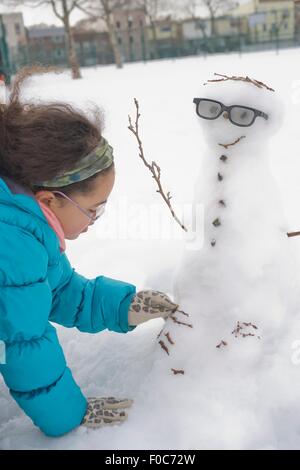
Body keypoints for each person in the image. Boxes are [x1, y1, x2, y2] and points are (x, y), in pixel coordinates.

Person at [0, 66, 179, 437]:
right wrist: (69, 415)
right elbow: (26, 341)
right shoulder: (11, 241)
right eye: (94, 208)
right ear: (49, 198)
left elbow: (58, 290)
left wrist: (123, 306)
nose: (97, 219)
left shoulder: (23, 218)